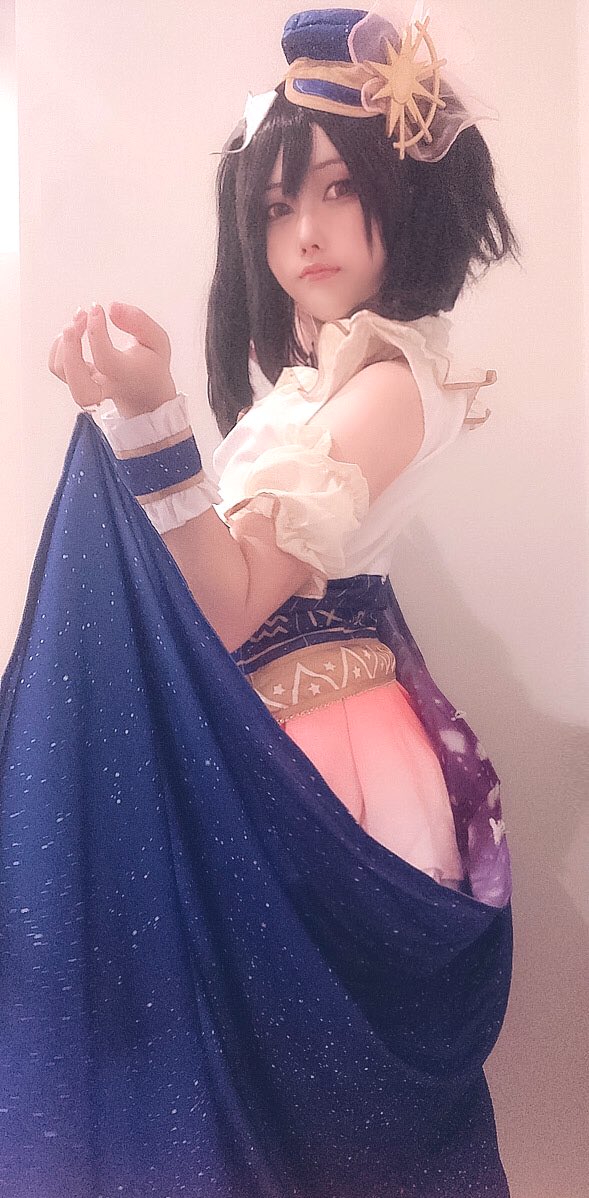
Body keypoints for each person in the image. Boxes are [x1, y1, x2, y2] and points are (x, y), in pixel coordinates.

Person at [2, 5, 518, 1196]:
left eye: (338, 190)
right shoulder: (320, 387)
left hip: (321, 757)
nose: (305, 232)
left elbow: (226, 604)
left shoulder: (390, 385)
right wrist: (137, 418)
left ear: (408, 193)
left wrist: (152, 419)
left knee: (307, 1110)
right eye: (280, 205)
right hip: (281, 738)